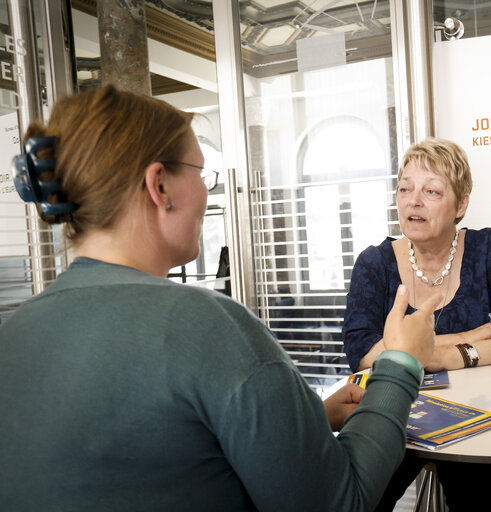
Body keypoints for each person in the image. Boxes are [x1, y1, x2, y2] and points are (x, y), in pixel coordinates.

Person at [0, 85, 442, 512]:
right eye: (201, 173)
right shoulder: (208, 327)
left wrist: (305, 421)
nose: (208, 192)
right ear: (160, 186)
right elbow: (338, 501)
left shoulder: (15, 335)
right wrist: (401, 363)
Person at [342, 137, 491, 511]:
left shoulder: (489, 250)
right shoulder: (374, 263)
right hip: (397, 415)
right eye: (405, 188)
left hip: (479, 417)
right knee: (359, 500)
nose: (413, 201)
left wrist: (443, 355)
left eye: (431, 191)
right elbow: (363, 355)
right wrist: (472, 336)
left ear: (461, 204)